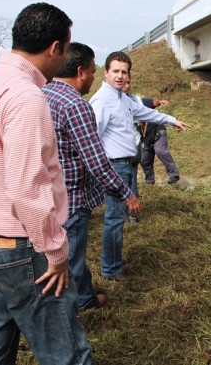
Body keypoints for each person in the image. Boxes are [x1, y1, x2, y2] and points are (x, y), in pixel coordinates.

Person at [0, 2, 96, 365]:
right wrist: (55, 251)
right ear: (55, 48)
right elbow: (28, 187)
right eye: (65, 49)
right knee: (66, 352)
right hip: (21, 248)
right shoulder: (26, 97)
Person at [42, 42, 142, 311]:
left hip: (44, 192)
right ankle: (68, 309)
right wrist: (126, 193)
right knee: (71, 256)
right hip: (71, 196)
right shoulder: (77, 105)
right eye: (93, 71)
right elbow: (96, 162)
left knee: (63, 252)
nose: (93, 77)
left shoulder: (42, 94)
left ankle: (85, 296)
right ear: (81, 71)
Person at [89, 51, 190, 281]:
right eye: (115, 71)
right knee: (114, 218)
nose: (120, 76)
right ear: (105, 73)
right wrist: (100, 171)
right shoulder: (102, 101)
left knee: (118, 217)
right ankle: (110, 269)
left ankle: (113, 262)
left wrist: (172, 120)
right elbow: (93, 139)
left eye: (124, 72)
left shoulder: (123, 98)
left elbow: (145, 112)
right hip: (114, 166)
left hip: (126, 164)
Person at [122, 75, 143, 225]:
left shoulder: (135, 99)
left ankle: (133, 214)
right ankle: (121, 214)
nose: (127, 85)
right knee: (120, 182)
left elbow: (143, 118)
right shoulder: (110, 100)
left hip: (133, 145)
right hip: (116, 149)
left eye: (129, 82)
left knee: (132, 180)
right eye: (124, 83)